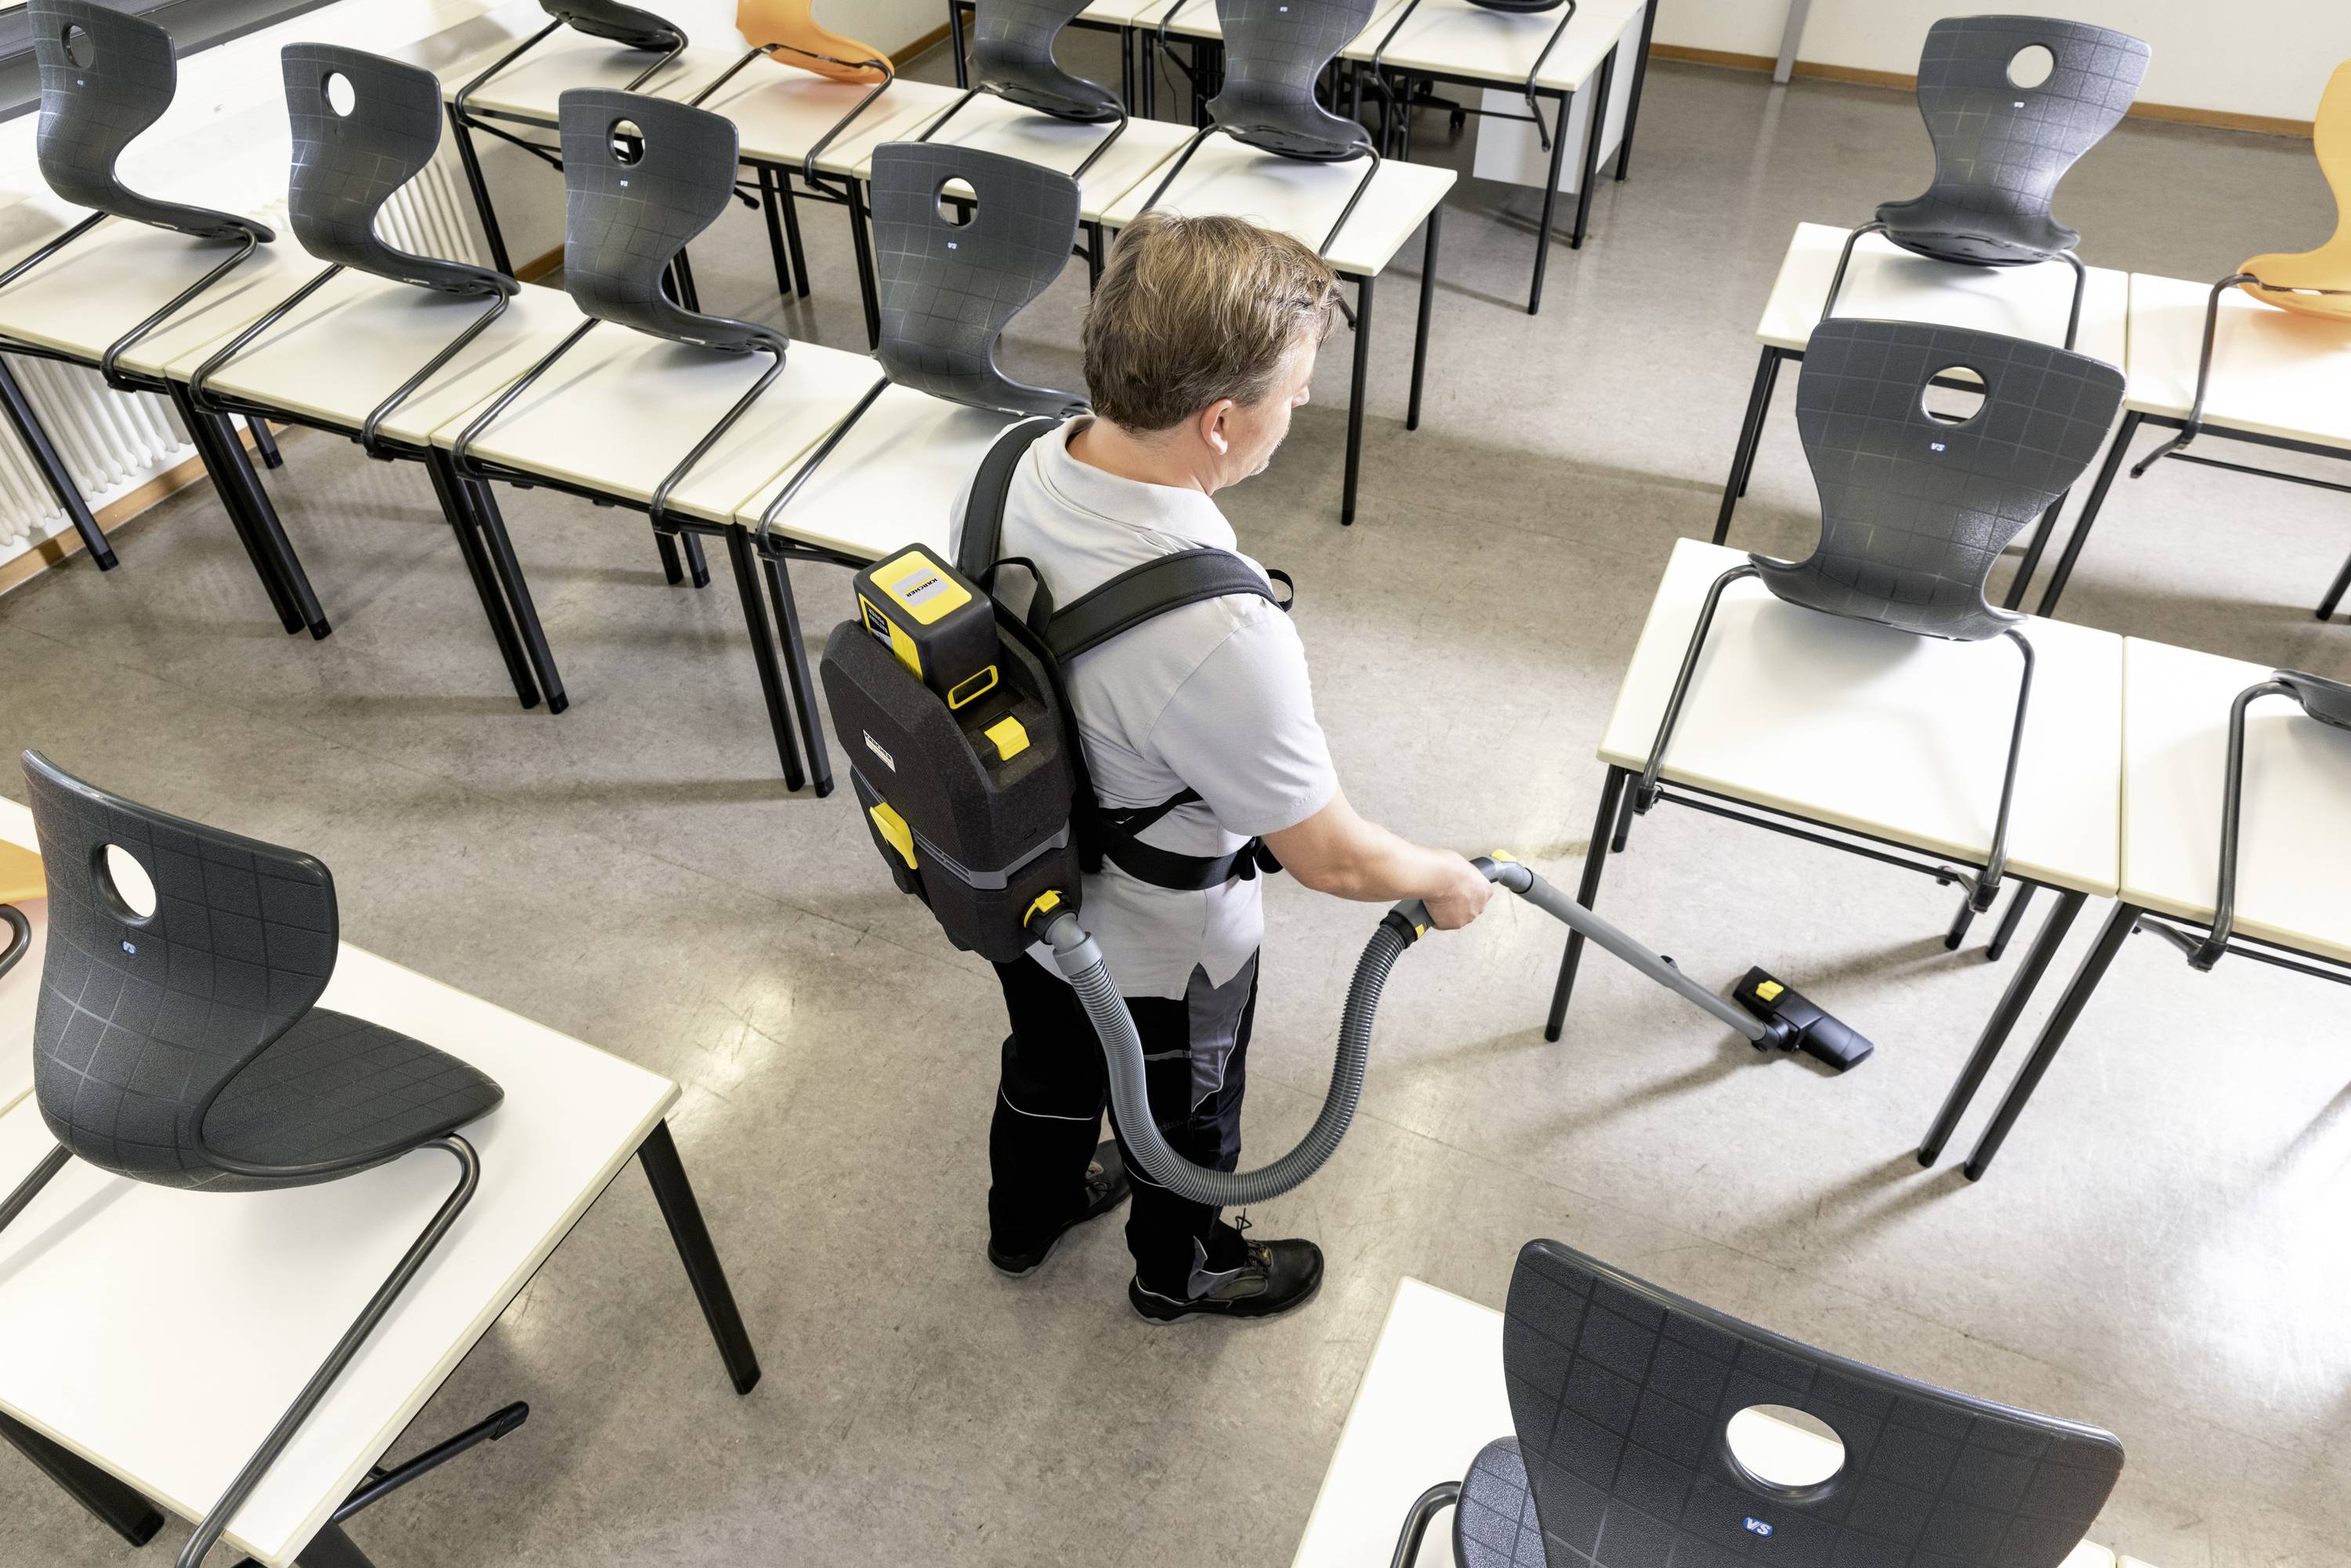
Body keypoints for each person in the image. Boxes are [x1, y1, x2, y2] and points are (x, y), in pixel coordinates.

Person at [970, 212, 1494, 1324]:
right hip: (1162, 947)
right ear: (1219, 423)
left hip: (1023, 886)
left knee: (1050, 1059)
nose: (1299, 408)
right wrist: (1444, 877)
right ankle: (1182, 1267)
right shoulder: (1218, 628)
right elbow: (1337, 860)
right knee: (1186, 1113)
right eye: (1294, 392)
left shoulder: (1015, 458)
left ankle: (1026, 1215)